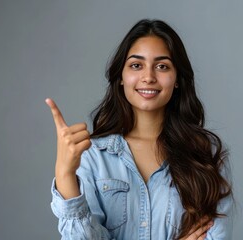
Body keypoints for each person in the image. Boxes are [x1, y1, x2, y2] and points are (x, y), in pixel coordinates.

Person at [46, 19, 233, 240]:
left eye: (162, 66)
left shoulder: (205, 153)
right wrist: (65, 174)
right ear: (121, 78)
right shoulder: (92, 156)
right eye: (136, 65)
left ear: (177, 80)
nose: (148, 77)